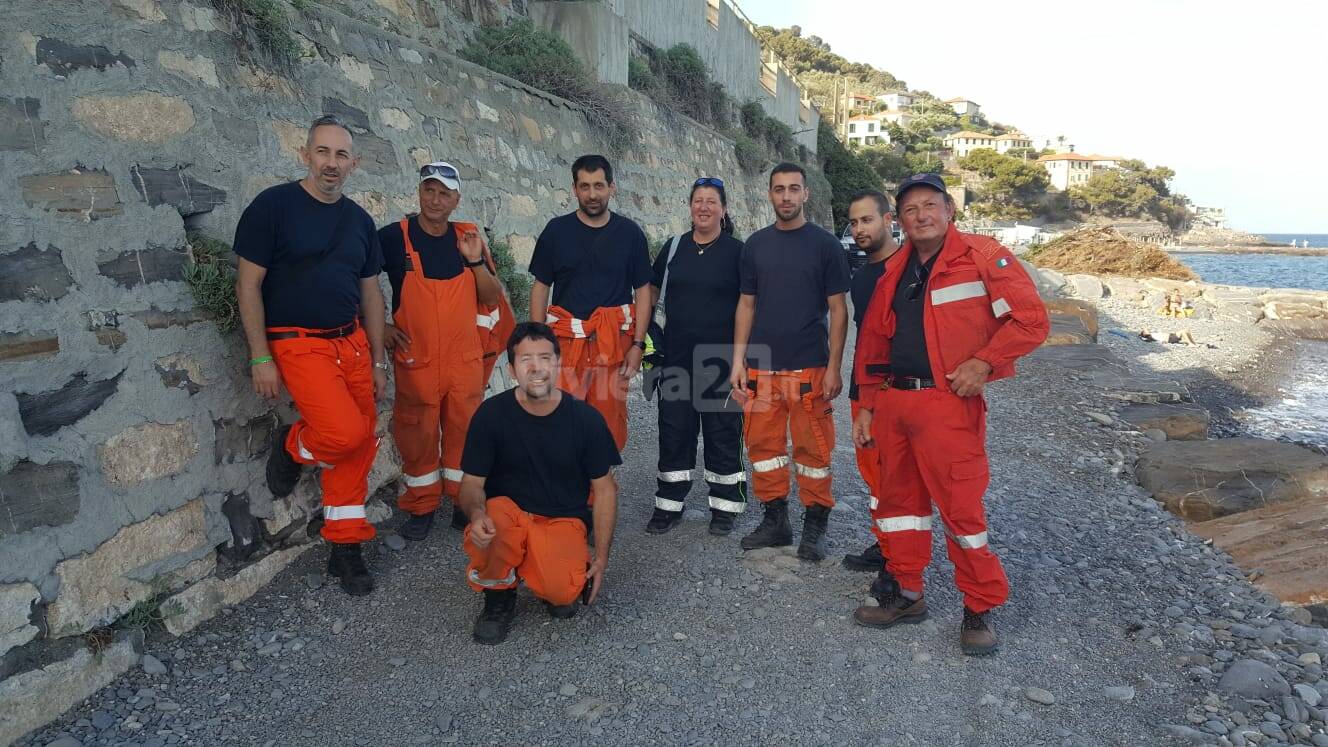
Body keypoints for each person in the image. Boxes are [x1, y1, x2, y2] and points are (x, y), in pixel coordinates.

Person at [852, 173, 1049, 655]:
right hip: (894, 403)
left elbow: (1031, 320)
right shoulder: (895, 269)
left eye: (929, 206)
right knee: (898, 507)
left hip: (947, 405)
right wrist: (863, 406)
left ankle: (979, 607)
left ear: (949, 211)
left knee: (961, 511)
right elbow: (873, 344)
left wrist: (984, 362)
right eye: (910, 209)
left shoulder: (982, 257)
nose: (920, 215)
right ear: (899, 220)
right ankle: (907, 595)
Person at [234, 115, 386, 596]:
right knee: (345, 434)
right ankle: (293, 444)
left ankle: (345, 547)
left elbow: (371, 296)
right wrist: (260, 356)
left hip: (353, 344)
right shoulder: (273, 207)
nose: (332, 163)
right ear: (305, 154)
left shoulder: (360, 221)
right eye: (323, 152)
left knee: (360, 446)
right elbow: (248, 284)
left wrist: (378, 360)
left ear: (353, 164)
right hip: (298, 342)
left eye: (342, 155)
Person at [459, 323, 621, 645]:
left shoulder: (585, 420)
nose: (536, 368)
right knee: (493, 524)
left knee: (563, 597)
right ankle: (498, 597)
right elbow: (471, 483)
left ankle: (546, 569)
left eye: (545, 358)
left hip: (561, 517)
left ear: (558, 363)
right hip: (507, 515)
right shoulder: (490, 415)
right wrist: (476, 515)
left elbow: (605, 490)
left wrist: (601, 558)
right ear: (511, 369)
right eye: (525, 359)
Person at [379, 162, 514, 541]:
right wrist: (381, 326)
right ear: (419, 193)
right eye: (429, 190)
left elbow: (490, 296)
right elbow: (356, 280)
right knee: (417, 433)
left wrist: (473, 260)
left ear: (457, 199)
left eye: (444, 193)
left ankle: (462, 501)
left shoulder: (469, 237)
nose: (435, 200)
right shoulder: (393, 238)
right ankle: (420, 506)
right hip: (416, 358)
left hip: (463, 359)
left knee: (465, 431)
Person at [730, 162, 850, 562]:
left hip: (809, 366)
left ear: (805, 194)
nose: (786, 197)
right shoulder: (756, 245)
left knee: (813, 449)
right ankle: (775, 519)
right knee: (763, 447)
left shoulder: (825, 245)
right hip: (761, 366)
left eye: (793, 189)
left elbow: (839, 310)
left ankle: (815, 522)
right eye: (779, 189)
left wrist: (834, 366)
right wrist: (737, 361)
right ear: (769, 194)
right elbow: (746, 305)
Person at [644, 177, 747, 537]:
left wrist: (743, 359)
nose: (704, 207)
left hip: (720, 360)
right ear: (690, 206)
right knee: (674, 432)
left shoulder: (738, 252)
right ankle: (669, 504)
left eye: (712, 201)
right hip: (675, 357)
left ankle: (724, 507)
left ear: (724, 208)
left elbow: (749, 306)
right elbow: (653, 293)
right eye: (698, 200)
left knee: (722, 434)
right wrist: (648, 347)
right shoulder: (673, 248)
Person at [528, 155, 652, 451]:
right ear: (574, 190)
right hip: (565, 346)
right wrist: (536, 343)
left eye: (599, 185)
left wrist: (637, 346)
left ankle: (601, 491)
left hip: (611, 348)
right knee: (559, 421)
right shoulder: (556, 232)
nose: (592, 194)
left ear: (612, 187)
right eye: (585, 186)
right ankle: (566, 493)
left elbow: (643, 292)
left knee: (608, 426)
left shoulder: (630, 234)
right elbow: (541, 286)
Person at [839, 190, 900, 573]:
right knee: (874, 474)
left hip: (902, 392)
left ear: (888, 219)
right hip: (864, 390)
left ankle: (901, 561)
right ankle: (886, 544)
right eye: (855, 222)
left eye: (868, 220)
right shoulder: (861, 279)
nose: (860, 228)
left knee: (899, 477)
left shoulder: (910, 269)